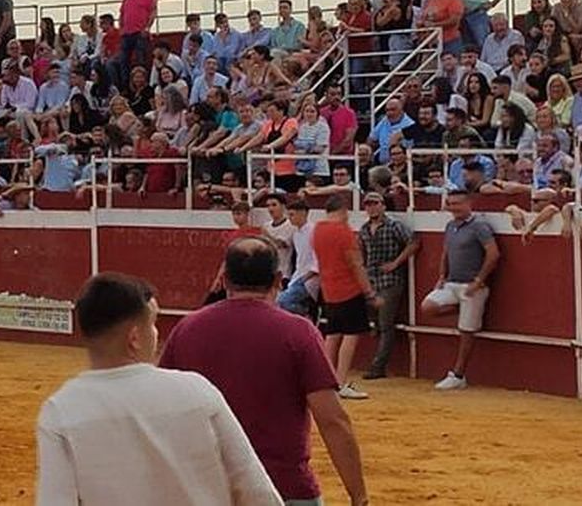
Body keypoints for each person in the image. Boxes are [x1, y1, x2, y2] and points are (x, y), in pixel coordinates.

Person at [37, 272, 281, 506]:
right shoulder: (197, 390)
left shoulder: (61, 411)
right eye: (152, 323)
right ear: (134, 338)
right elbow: (256, 491)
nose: (156, 333)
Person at [160, 237, 369, 506]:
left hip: (207, 487)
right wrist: (358, 496)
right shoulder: (298, 332)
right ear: (278, 280)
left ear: (224, 280)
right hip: (283, 485)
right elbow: (333, 420)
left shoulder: (187, 329)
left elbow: (163, 410)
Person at [420, 192, 501, 390]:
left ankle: (458, 374)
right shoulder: (450, 226)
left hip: (471, 287)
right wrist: (441, 275)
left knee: (466, 333)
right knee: (427, 307)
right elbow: (446, 252)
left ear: (468, 204)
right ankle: (461, 310)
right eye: (450, 204)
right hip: (452, 283)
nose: (454, 207)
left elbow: (493, 254)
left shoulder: (480, 226)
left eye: (457, 203)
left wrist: (479, 280)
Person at [310, 194, 375, 400]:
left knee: (333, 334)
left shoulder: (317, 230)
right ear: (344, 211)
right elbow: (356, 264)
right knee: (350, 335)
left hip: (329, 289)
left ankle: (328, 381)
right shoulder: (344, 232)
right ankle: (341, 382)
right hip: (349, 290)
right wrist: (369, 292)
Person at [358, 191, 417, 380]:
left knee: (385, 325)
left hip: (390, 280)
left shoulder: (394, 226)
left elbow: (414, 243)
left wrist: (396, 263)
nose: (371, 207)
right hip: (372, 280)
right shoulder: (365, 229)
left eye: (375, 203)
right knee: (376, 321)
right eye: (368, 204)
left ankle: (378, 367)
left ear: (383, 205)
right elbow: (361, 252)